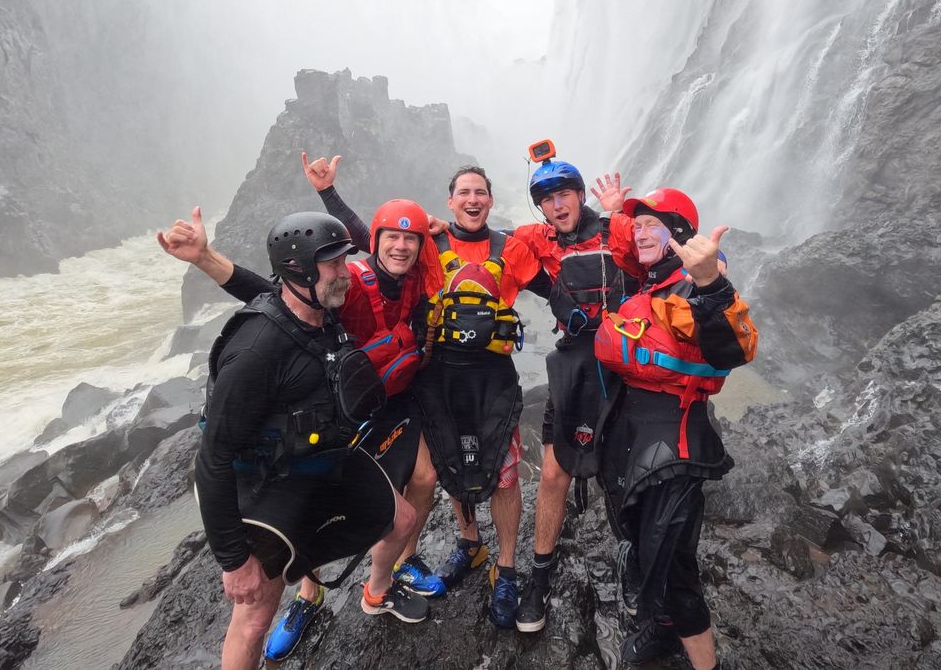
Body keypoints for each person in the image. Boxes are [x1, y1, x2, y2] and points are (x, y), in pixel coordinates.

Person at [159, 200, 445, 662]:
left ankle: (377, 592)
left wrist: (205, 258)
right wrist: (233, 561)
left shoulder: (319, 311)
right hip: (270, 482)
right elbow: (211, 461)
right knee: (253, 619)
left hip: (324, 458)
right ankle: (305, 598)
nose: (346, 272)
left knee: (403, 520)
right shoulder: (255, 351)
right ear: (301, 272)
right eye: (333, 263)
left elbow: (259, 286)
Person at [303, 157, 542, 629]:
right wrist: (329, 193)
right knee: (449, 467)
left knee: (506, 476)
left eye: (481, 192)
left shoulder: (510, 247)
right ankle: (470, 545)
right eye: (464, 193)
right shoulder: (429, 243)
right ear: (450, 201)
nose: (473, 200)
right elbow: (378, 239)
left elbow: (555, 287)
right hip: (438, 379)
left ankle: (508, 569)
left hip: (493, 379)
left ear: (491, 200)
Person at [593, 189, 758, 669]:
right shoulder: (647, 283)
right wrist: (614, 210)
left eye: (653, 225)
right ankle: (661, 630)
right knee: (642, 545)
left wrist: (710, 283)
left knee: (675, 567)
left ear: (680, 237)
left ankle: (706, 662)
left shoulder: (690, 289)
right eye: (637, 225)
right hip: (633, 435)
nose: (640, 232)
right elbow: (625, 241)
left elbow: (733, 349)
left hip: (676, 446)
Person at [506, 160, 644, 632]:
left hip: (622, 360)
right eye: (546, 197)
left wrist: (618, 210)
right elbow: (491, 239)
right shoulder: (539, 238)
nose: (556, 203)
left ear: (580, 194)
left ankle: (632, 561)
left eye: (564, 193)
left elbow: (646, 253)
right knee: (552, 473)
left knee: (621, 472)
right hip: (573, 362)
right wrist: (447, 227)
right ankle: (540, 575)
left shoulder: (612, 230)